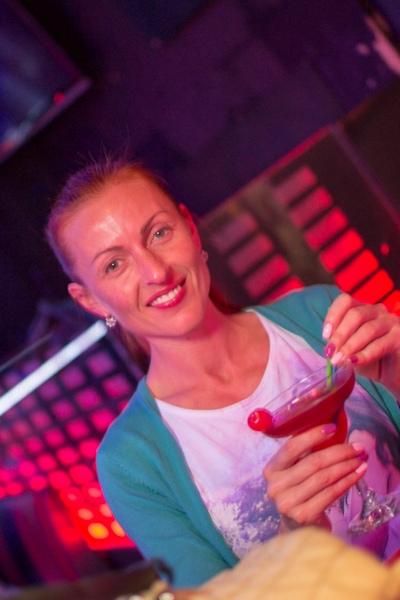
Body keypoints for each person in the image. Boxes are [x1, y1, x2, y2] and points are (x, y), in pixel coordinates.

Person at [45, 158, 400, 588]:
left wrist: (395, 368)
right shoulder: (130, 462)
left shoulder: (317, 313)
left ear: (191, 230)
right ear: (91, 301)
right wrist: (295, 539)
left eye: (159, 233)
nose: (156, 272)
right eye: (114, 265)